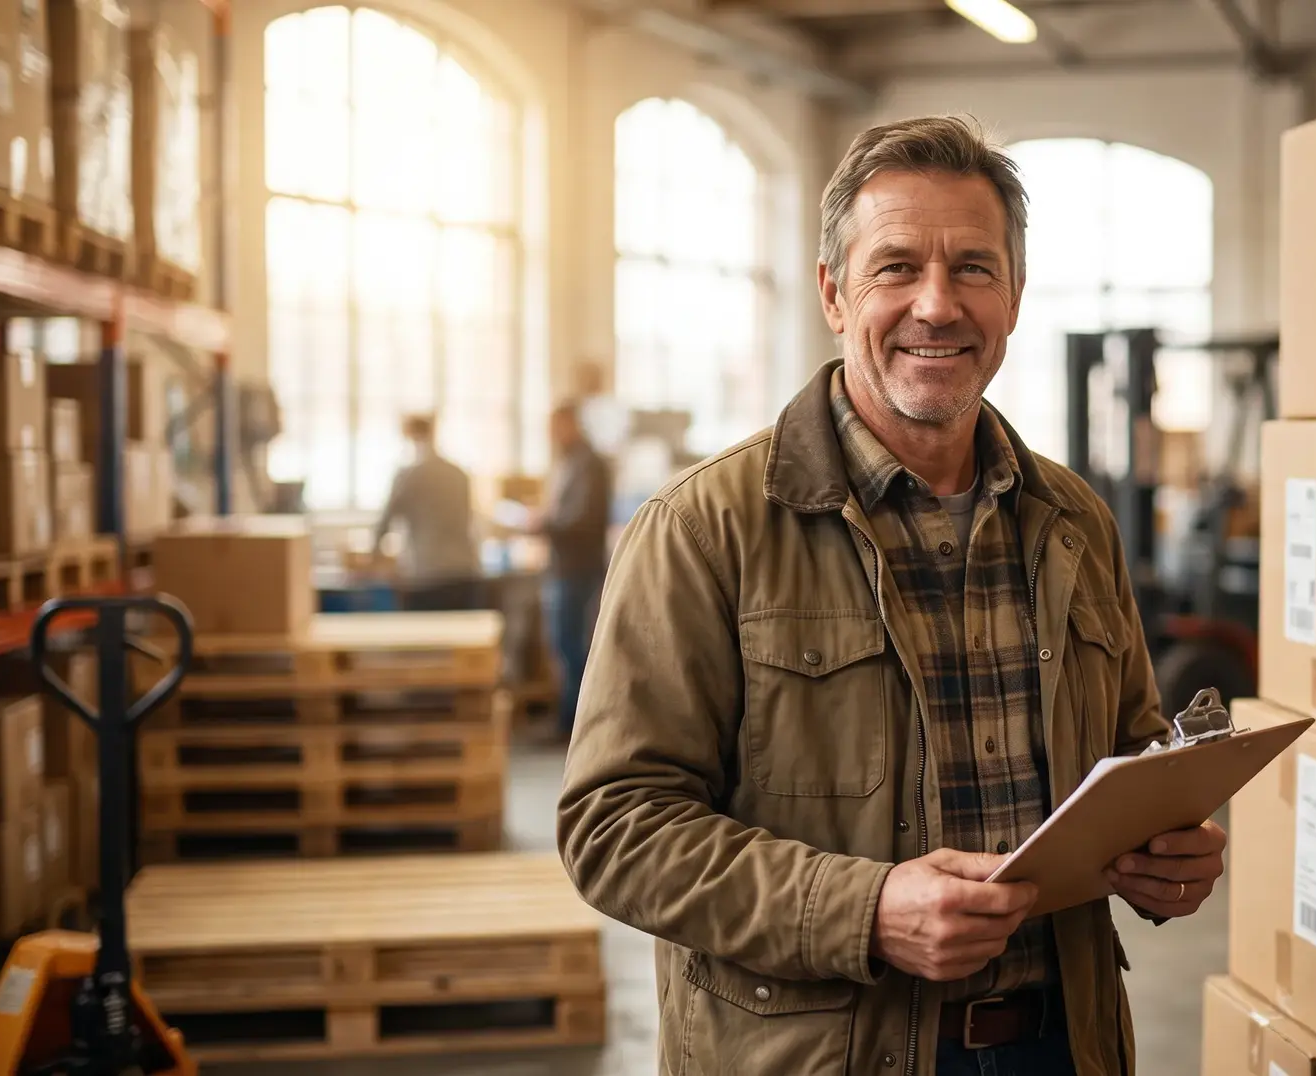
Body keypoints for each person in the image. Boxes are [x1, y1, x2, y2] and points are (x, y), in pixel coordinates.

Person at [557, 116, 1227, 1076]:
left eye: (973, 269)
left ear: (1015, 295)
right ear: (835, 293)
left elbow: (1124, 755)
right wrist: (862, 910)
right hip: (825, 1053)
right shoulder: (706, 530)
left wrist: (1167, 857)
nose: (936, 304)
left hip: (1061, 1045)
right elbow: (615, 826)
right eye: (895, 267)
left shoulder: (1072, 518)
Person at [536, 401, 612, 736]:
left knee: (574, 646)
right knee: (563, 644)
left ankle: (577, 723)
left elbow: (581, 519)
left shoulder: (589, 464)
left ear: (570, 424)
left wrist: (544, 524)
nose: (551, 434)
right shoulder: (569, 462)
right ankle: (568, 719)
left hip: (578, 567)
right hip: (564, 565)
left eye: (555, 426)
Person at [373, 414, 482, 611]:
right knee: (459, 637)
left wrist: (374, 561)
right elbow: (469, 520)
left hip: (426, 575)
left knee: (426, 639)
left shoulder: (408, 475)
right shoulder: (458, 474)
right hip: (464, 572)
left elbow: (384, 524)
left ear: (408, 435)